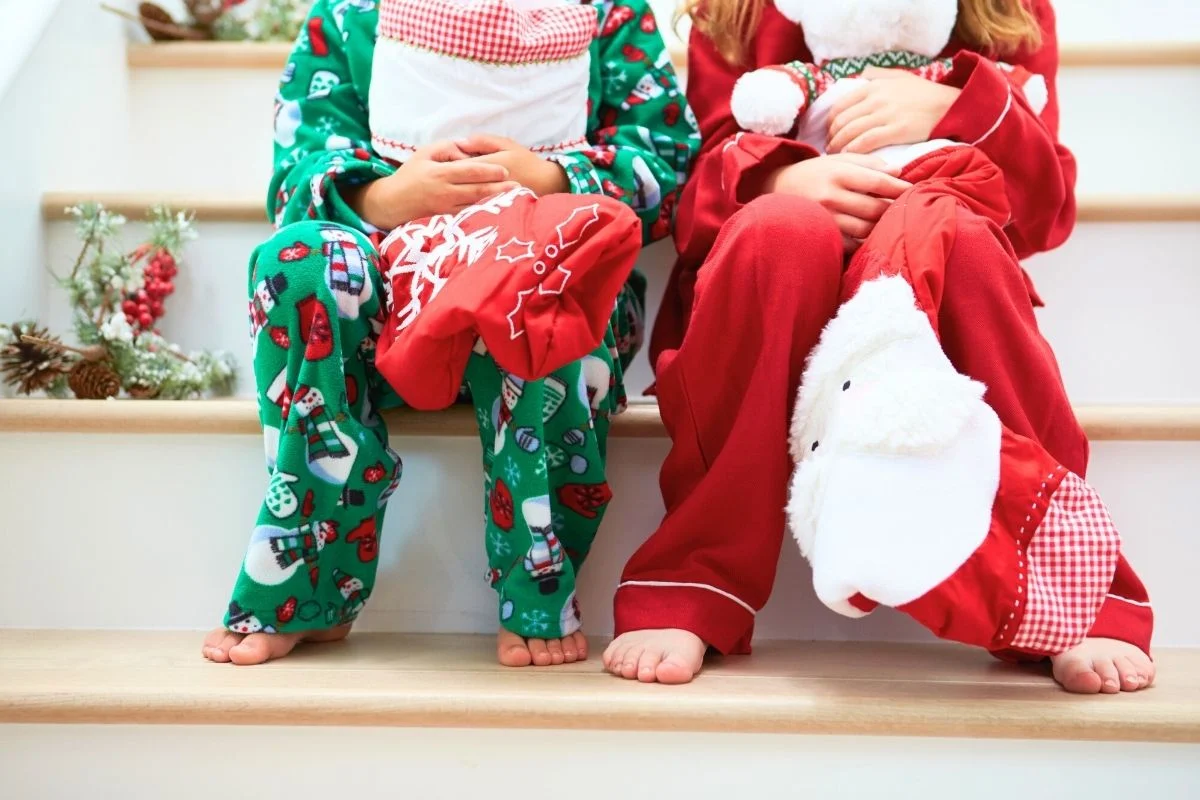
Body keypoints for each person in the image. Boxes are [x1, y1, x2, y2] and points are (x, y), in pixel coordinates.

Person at [604, 0, 1156, 693]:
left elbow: (1045, 207)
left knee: (959, 236)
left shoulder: (1010, 11)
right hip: (777, 282)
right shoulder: (739, 12)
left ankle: (1059, 585)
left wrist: (951, 105)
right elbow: (694, 190)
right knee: (779, 231)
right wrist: (776, 178)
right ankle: (695, 578)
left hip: (933, 268)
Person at [201, 0, 699, 668]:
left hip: (541, 282)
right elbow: (295, 171)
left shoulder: (610, 13)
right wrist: (388, 197)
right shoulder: (352, 13)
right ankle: (309, 579)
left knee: (545, 283)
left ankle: (536, 578)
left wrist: (549, 177)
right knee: (297, 265)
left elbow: (668, 171)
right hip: (388, 300)